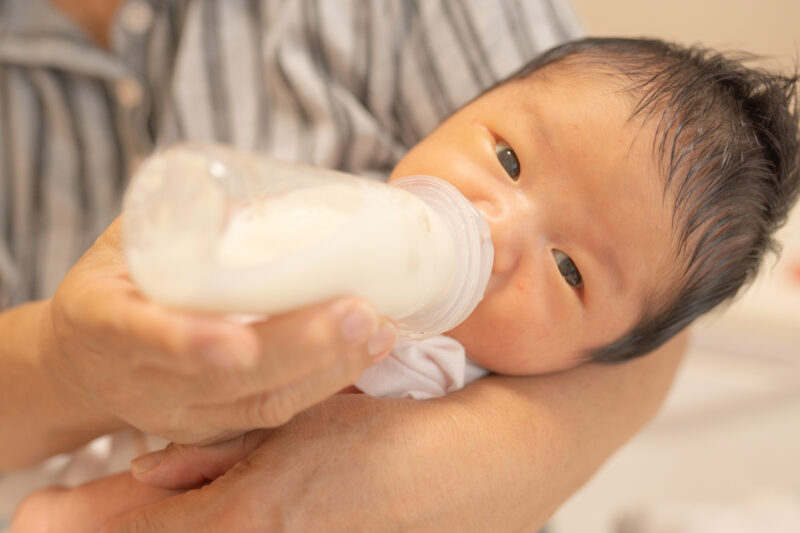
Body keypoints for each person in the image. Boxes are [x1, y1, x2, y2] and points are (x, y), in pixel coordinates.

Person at [10, 33, 800, 531]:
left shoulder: (455, 379)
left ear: (595, 355)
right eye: (509, 159)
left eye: (570, 271)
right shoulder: (337, 215)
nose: (497, 231)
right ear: (462, 106)